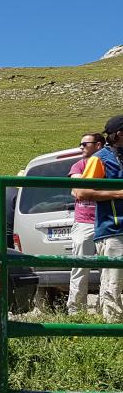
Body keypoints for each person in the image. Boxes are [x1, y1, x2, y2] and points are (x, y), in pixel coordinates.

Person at [73, 115, 123, 322]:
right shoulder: (99, 159)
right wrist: (118, 194)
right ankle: (112, 332)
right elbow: (82, 192)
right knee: (113, 283)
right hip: (113, 230)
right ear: (120, 134)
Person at [66, 132, 105, 314]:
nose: (81, 147)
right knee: (80, 266)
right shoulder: (78, 165)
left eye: (85, 144)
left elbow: (84, 188)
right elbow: (78, 191)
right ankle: (76, 311)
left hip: (106, 222)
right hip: (84, 222)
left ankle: (104, 310)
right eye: (80, 144)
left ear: (98, 145)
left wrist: (88, 189)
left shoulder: (107, 164)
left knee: (109, 269)